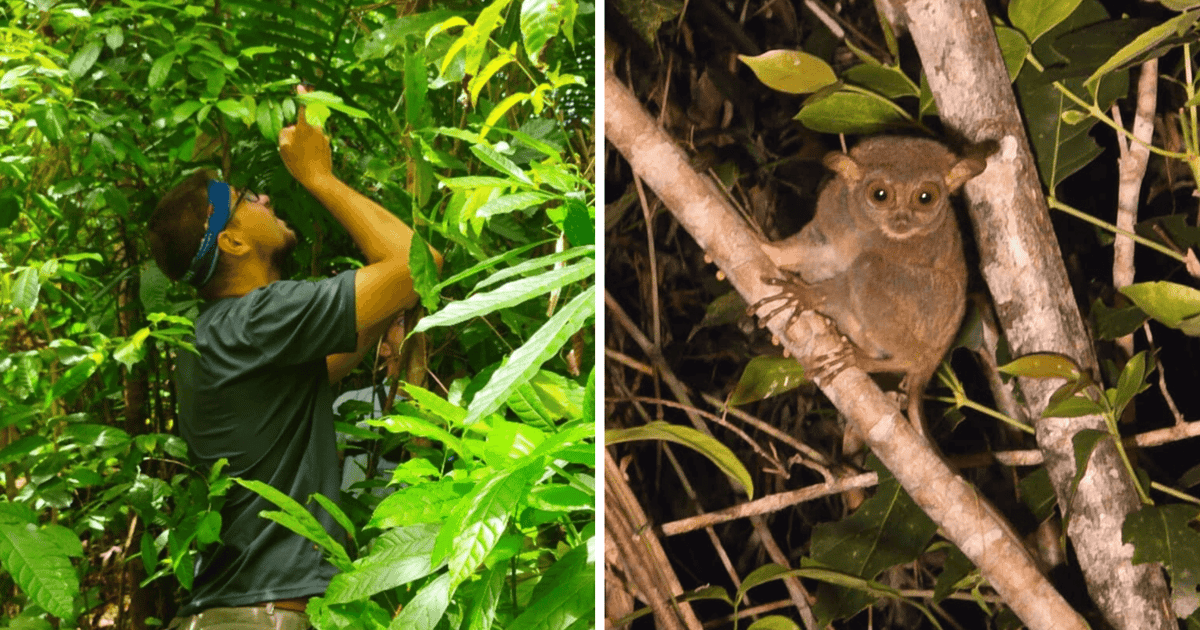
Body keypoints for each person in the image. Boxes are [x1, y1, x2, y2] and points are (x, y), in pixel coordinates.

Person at [147, 88, 441, 630]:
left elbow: (329, 362)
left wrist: (381, 308)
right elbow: (418, 265)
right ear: (232, 243)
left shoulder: (211, 335)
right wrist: (317, 176)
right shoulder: (260, 318)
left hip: (223, 612)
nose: (264, 198)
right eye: (246, 200)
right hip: (264, 617)